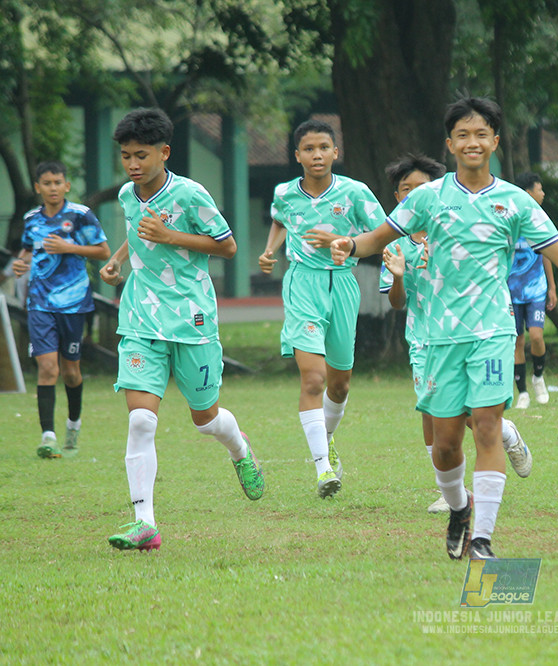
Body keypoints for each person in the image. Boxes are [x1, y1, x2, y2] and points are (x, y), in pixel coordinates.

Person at [332, 97, 558, 560]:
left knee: (486, 426)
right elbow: (377, 238)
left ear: (495, 142)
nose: (473, 142)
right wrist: (349, 244)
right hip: (440, 339)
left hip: (492, 333)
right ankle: (459, 508)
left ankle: (484, 539)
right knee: (445, 447)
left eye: (481, 134)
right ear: (450, 144)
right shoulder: (427, 198)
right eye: (463, 135)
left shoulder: (514, 202)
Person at [99, 108, 264, 551]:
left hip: (191, 319)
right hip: (139, 319)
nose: (133, 164)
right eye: (125, 156)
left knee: (205, 420)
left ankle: (240, 449)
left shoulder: (191, 195)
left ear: (164, 152)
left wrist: (171, 236)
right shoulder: (127, 196)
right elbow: (138, 232)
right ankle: (145, 523)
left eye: (141, 155)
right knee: (140, 421)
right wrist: (119, 259)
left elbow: (227, 246)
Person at [379, 153, 532, 515]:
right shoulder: (395, 243)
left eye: (420, 187)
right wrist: (399, 275)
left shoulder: (459, 226)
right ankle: (452, 491)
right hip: (423, 338)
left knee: (474, 415)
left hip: (476, 332)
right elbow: (397, 304)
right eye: (405, 190)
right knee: (432, 415)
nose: (413, 194)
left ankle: (504, 434)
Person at [258, 119, 387, 499]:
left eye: (324, 148)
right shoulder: (284, 192)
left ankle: (326, 439)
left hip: (343, 285)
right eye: (309, 149)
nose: (317, 155)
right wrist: (270, 250)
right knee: (313, 379)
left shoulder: (355, 193)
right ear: (297, 155)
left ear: (336, 152)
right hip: (302, 284)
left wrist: (344, 240)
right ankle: (322, 468)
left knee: (339, 382)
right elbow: (281, 220)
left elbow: (383, 235)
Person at [12, 161, 110, 458]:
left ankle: (73, 424)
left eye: (58, 182)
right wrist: (20, 263)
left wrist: (70, 248)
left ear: (66, 185)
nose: (53, 188)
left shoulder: (80, 216)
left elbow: (103, 251)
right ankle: (48, 436)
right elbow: (28, 251)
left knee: (70, 371)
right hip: (39, 302)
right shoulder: (31, 219)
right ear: (38, 188)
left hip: (73, 303)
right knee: (47, 368)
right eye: (47, 183)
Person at [508, 172, 557, 409]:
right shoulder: (510, 220)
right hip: (511, 291)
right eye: (540, 188)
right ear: (528, 193)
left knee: (536, 336)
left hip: (536, 289)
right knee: (517, 341)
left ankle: (538, 377)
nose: (543, 193)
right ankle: (523, 392)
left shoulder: (540, 221)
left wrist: (552, 287)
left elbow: (548, 253)